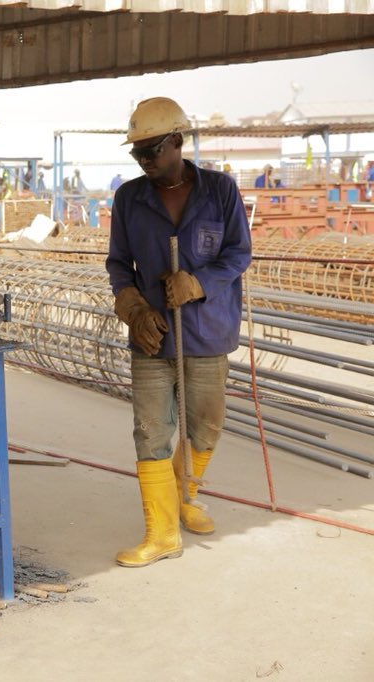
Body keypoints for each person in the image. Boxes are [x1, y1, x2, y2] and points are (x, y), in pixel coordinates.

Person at [106, 96, 251, 568]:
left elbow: (238, 253)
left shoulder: (221, 191)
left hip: (207, 330)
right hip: (152, 335)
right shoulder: (130, 197)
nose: (146, 161)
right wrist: (130, 305)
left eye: (153, 150)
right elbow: (117, 264)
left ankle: (186, 495)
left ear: (177, 141)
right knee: (150, 432)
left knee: (205, 426)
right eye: (138, 154)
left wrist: (197, 283)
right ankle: (161, 534)